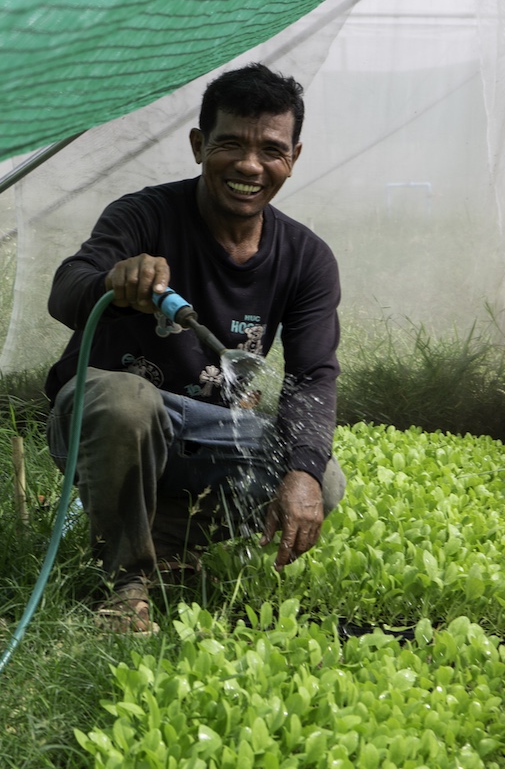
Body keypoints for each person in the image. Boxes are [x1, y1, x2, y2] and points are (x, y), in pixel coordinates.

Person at [44, 63, 345, 634]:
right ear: (199, 145)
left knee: (322, 477)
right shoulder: (145, 215)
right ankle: (125, 584)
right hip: (107, 419)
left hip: (205, 428)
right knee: (127, 402)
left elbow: (312, 377)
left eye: (271, 150)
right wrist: (112, 281)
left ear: (294, 157)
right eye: (230, 143)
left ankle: (166, 544)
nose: (250, 166)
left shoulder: (306, 258)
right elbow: (65, 290)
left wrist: (301, 474)